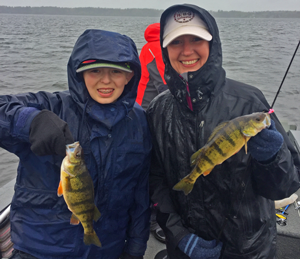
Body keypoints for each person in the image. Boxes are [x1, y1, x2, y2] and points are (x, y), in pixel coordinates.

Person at [146, 4, 300, 259]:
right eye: (176, 42)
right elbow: (156, 182)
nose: (187, 50)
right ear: (165, 50)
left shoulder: (250, 102)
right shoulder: (157, 110)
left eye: (196, 39)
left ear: (212, 44)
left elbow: (284, 187)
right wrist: (179, 235)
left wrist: (273, 158)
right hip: (186, 250)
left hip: (249, 251)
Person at [0, 29, 152, 259]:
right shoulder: (51, 107)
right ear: (79, 73)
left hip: (107, 249)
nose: (106, 80)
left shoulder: (139, 121)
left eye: (116, 71)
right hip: (40, 250)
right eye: (95, 71)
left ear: (130, 76)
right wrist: (30, 122)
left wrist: (135, 249)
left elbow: (140, 194)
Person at [136, 23, 167, 110]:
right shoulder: (157, 48)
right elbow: (163, 83)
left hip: (142, 101)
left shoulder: (147, 47)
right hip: (146, 104)